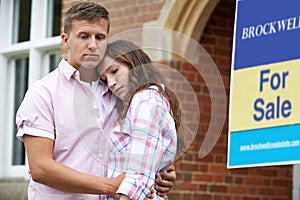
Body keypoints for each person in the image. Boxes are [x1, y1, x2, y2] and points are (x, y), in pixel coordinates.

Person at [15, 2, 176, 200]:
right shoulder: (43, 93)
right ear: (66, 40)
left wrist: (161, 169)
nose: (93, 44)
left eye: (100, 37)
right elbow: (40, 168)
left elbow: (142, 140)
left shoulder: (119, 91)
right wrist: (110, 186)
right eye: (84, 36)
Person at [98, 40, 181, 200]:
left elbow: (139, 173)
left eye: (114, 71)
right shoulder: (140, 102)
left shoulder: (145, 100)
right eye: (104, 79)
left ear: (134, 63)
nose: (111, 83)